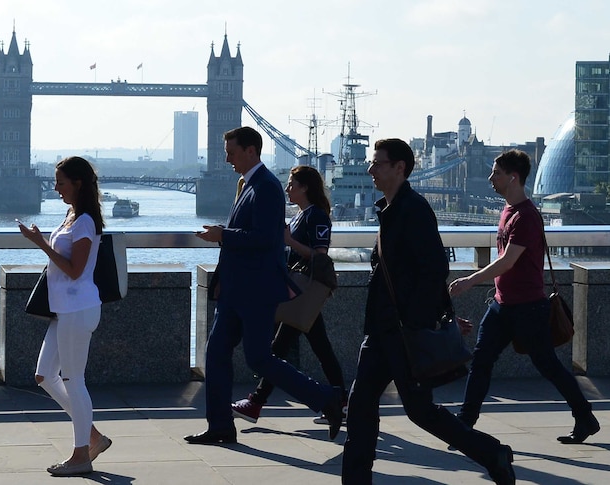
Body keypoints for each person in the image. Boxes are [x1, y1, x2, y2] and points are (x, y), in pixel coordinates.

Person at [341, 138, 515, 484]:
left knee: (420, 412)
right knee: (361, 406)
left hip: (403, 332)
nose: (370, 169)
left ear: (400, 168)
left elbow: (434, 269)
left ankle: (492, 453)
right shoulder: (389, 210)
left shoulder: (414, 210)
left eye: (377, 163)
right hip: (381, 332)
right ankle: (356, 479)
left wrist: (424, 320)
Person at [187, 126, 344, 446]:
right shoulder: (249, 184)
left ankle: (327, 399)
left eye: (231, 152)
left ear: (250, 151)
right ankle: (220, 425)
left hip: (256, 290)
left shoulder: (267, 187)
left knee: (259, 358)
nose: (227, 158)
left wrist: (223, 235)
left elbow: (266, 239)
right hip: (236, 289)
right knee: (216, 353)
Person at [449, 149, 600, 444]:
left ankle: (585, 416)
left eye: (496, 173)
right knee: (481, 361)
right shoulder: (507, 210)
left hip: (528, 308)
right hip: (502, 305)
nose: (491, 178)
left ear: (513, 177)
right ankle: (464, 425)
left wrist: (471, 280)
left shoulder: (527, 216)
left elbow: (507, 261)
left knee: (548, 365)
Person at [231, 165, 347, 424]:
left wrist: (289, 242)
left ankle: (256, 403)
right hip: (296, 290)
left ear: (305, 187)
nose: (287, 189)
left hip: (304, 290)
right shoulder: (299, 216)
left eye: (292, 184)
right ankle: (340, 401)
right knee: (316, 348)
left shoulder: (316, 216)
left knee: (279, 349)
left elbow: (320, 254)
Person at [18, 156, 111, 476]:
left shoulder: (85, 221)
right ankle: (93, 436)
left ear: (78, 183)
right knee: (45, 376)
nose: (55, 187)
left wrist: (40, 242)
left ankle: (81, 454)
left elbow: (75, 270)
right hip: (64, 311)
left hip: (78, 309)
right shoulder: (71, 216)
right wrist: (42, 241)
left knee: (74, 380)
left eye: (60, 182)